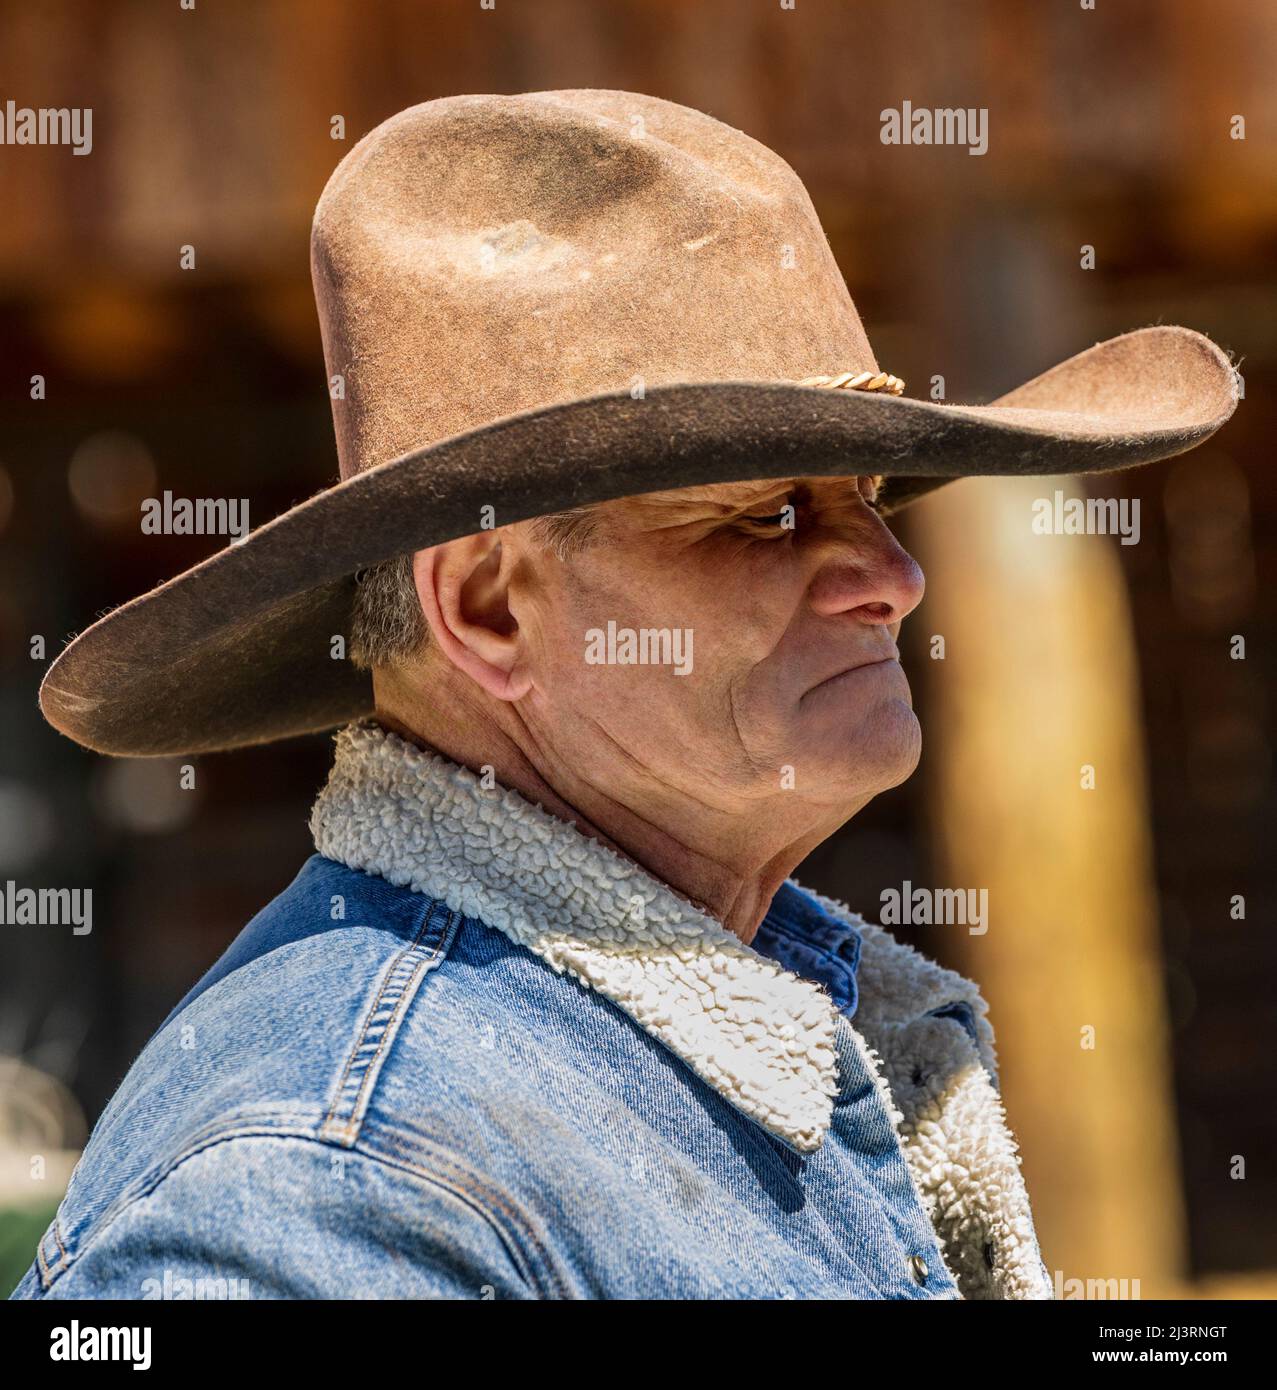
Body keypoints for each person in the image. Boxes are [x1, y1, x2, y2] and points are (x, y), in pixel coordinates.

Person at [16, 90, 1237, 1300]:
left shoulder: (663, 1046)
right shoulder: (328, 1188)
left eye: (867, 494)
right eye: (766, 515)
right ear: (490, 607)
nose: (895, 575)